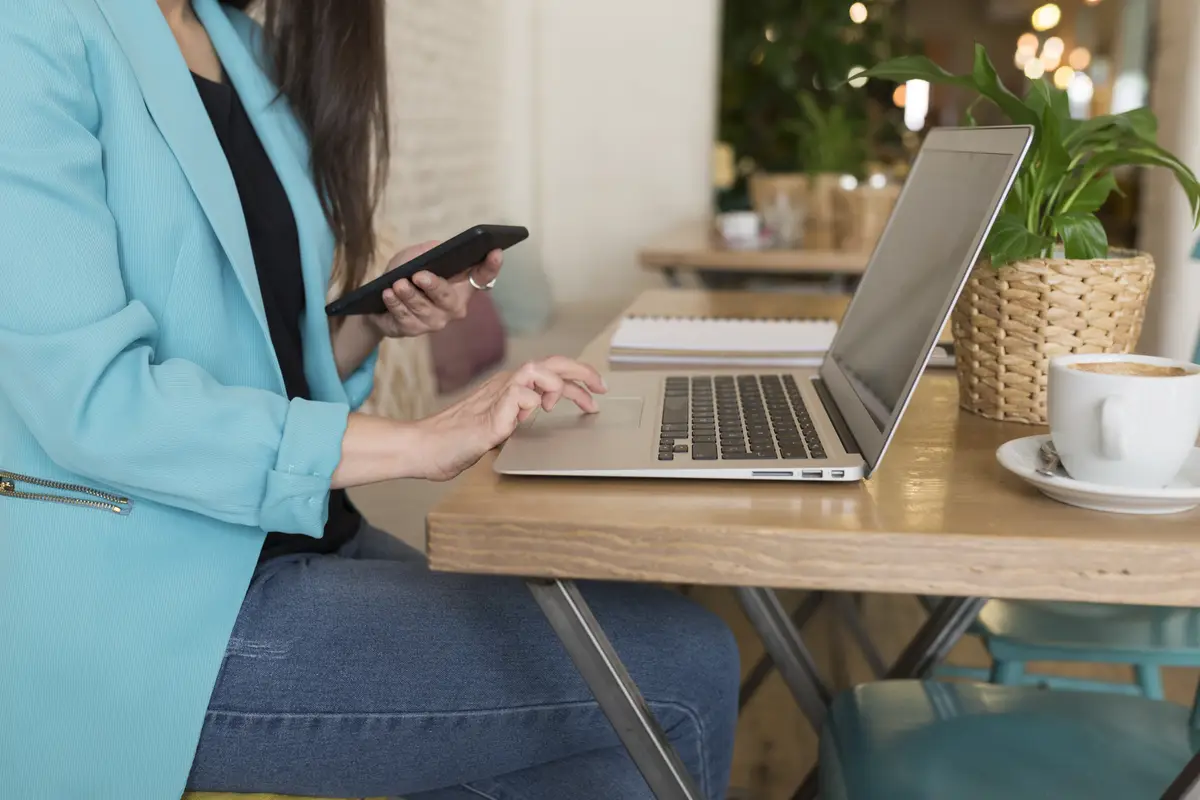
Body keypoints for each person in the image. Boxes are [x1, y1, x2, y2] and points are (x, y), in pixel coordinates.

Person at [0, 1, 740, 798]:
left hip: (302, 536)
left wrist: (371, 324)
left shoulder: (239, 47)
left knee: (614, 744)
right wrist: (421, 442)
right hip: (147, 612)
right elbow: (97, 400)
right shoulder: (33, 29)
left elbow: (260, 356)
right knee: (679, 665)